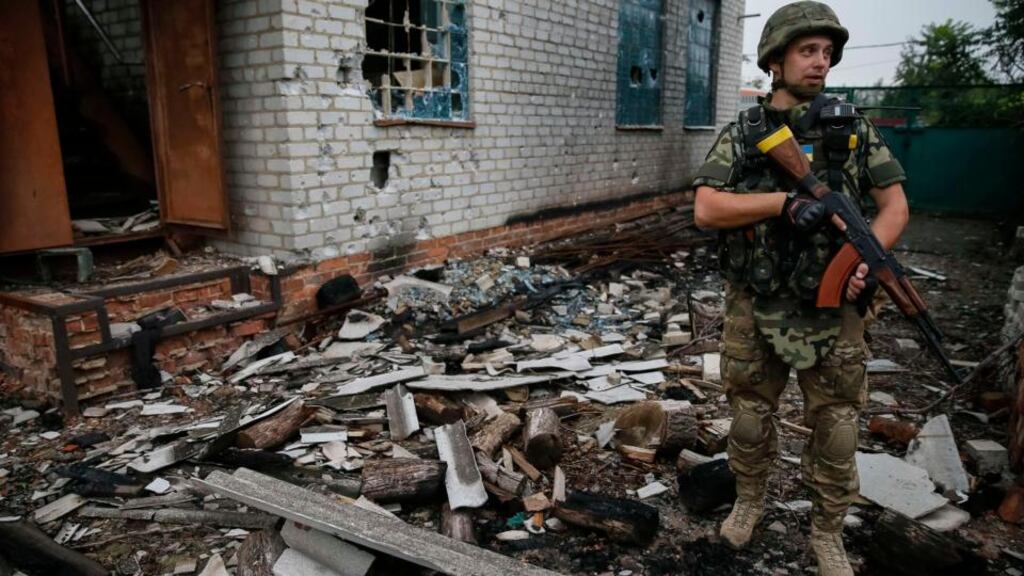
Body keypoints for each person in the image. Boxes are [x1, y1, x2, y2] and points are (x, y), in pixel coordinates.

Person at [690, 2, 909, 575]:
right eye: (807, 50)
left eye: (827, 53)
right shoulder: (746, 132)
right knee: (748, 416)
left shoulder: (853, 130)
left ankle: (827, 532)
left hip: (835, 303)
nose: (820, 62)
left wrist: (865, 258)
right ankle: (749, 502)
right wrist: (782, 203)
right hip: (756, 298)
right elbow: (707, 209)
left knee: (837, 426)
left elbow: (894, 207)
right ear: (775, 60)